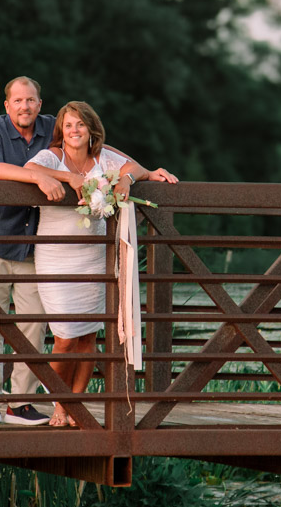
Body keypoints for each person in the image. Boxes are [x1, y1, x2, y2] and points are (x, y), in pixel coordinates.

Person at [25, 101, 178, 427]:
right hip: (56, 257)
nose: (74, 130)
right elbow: (30, 170)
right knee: (65, 337)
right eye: (68, 125)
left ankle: (73, 406)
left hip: (95, 257)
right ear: (61, 130)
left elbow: (135, 168)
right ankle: (59, 402)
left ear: (91, 129)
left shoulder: (102, 158)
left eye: (80, 124)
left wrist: (128, 180)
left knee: (87, 337)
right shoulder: (51, 157)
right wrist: (69, 178)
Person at [0, 76, 63, 425]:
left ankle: (21, 404)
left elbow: (93, 144)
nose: (25, 106)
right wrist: (38, 176)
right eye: (18, 101)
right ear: (7, 105)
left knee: (34, 325)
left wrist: (142, 172)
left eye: (31, 100)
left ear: (40, 104)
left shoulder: (53, 127)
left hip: (32, 245)